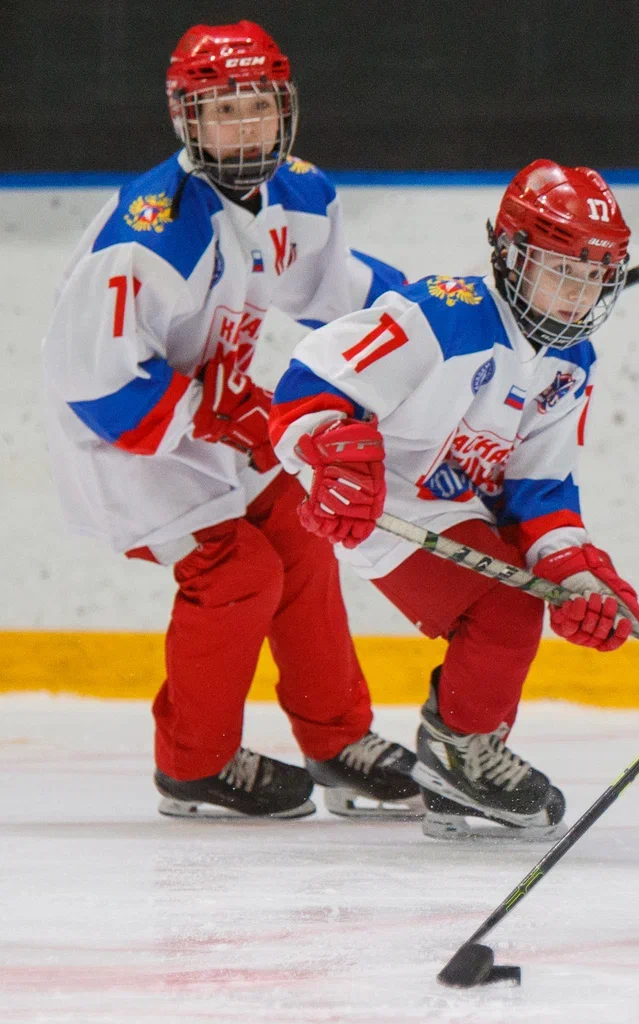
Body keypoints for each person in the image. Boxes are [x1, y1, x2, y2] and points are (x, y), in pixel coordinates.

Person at [41, 21, 418, 819]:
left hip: (208, 410)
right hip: (120, 438)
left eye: (257, 107)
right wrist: (216, 414)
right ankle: (194, 764)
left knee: (300, 531)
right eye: (223, 111)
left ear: (286, 109)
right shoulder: (152, 235)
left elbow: (340, 294)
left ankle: (336, 741)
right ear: (188, 121)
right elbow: (98, 386)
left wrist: (435, 313)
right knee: (235, 572)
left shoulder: (298, 195)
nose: (244, 128)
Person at [268, 159, 639, 840]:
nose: (577, 294)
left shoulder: (571, 363)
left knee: (520, 595)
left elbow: (539, 489)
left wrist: (577, 572)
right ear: (511, 254)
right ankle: (456, 753)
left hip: (453, 503)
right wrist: (331, 456)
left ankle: (466, 756)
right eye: (561, 269)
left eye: (594, 276)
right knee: (505, 604)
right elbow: (312, 381)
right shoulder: (445, 314)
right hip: (376, 498)